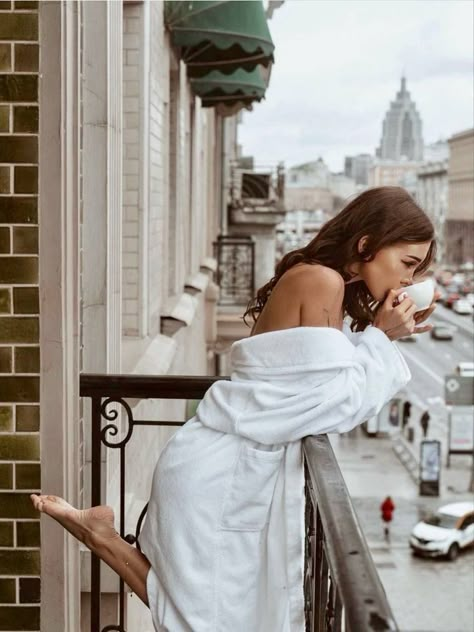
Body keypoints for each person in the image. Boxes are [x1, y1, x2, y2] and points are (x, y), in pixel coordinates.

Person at [31, 186, 441, 632]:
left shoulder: (323, 281)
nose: (409, 280)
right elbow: (335, 402)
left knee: (205, 614)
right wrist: (381, 338)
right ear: (366, 244)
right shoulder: (322, 280)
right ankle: (99, 535)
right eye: (408, 264)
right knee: (206, 619)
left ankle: (99, 533)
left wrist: (381, 337)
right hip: (222, 478)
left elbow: (323, 388)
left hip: (225, 467)